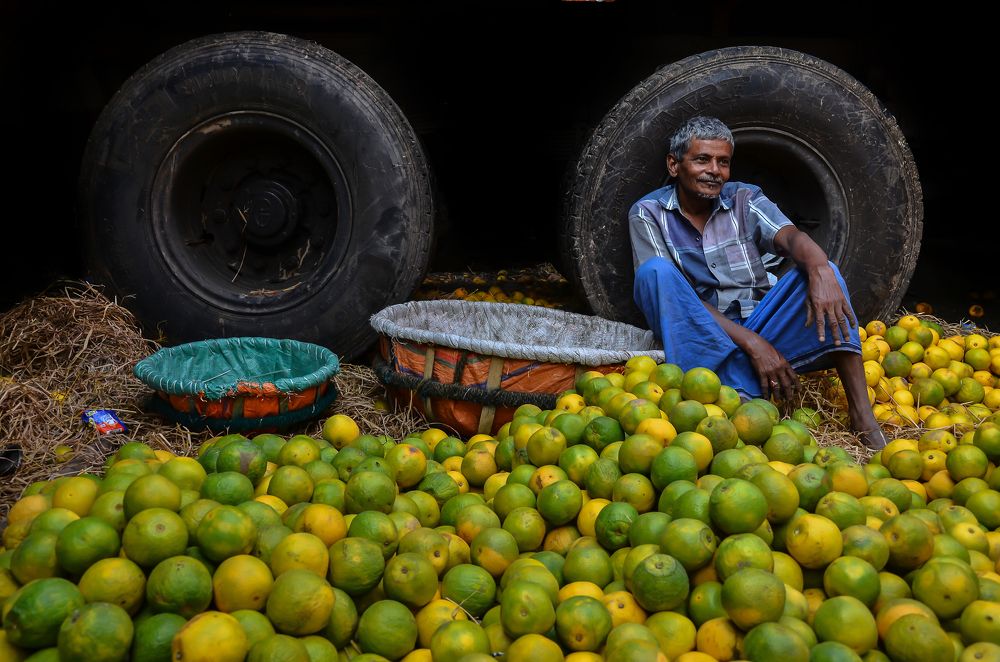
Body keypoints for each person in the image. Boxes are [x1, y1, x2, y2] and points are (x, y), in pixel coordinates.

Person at [629, 115, 887, 449]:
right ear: (674, 165)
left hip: (762, 322)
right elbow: (680, 301)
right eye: (702, 159)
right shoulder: (648, 213)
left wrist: (820, 268)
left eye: (723, 162)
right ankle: (725, 388)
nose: (714, 171)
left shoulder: (744, 198)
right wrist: (754, 345)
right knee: (655, 273)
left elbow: (791, 237)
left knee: (826, 272)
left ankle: (863, 417)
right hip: (704, 336)